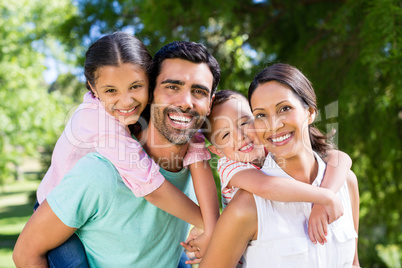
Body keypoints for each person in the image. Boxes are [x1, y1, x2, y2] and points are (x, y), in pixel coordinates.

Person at [13, 39, 221, 267]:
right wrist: (215, 229)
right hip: (54, 203)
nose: (185, 103)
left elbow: (199, 157)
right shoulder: (103, 151)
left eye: (198, 91)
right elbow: (150, 187)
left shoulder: (191, 150)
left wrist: (211, 228)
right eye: (172, 87)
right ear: (153, 91)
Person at [198, 64, 360, 267]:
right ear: (217, 150)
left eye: (284, 108)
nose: (273, 125)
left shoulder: (345, 182)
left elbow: (339, 157)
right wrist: (324, 197)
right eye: (261, 115)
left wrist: (325, 195)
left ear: (310, 112)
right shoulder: (244, 199)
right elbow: (266, 187)